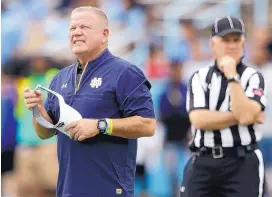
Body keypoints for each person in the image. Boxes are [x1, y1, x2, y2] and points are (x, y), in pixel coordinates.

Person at [23, 6, 156, 197]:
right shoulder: (60, 78)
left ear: (105, 34)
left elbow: (148, 125)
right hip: (68, 188)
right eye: (72, 28)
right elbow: (45, 132)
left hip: (108, 189)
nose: (76, 32)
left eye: (84, 27)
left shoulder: (125, 73)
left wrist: (101, 125)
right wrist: (38, 110)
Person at [181, 16, 267, 197]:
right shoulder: (199, 77)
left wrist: (232, 76)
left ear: (243, 42)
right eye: (226, 40)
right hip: (203, 160)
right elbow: (199, 119)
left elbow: (245, 117)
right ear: (212, 44)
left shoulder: (253, 76)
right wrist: (241, 115)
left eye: (236, 40)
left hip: (242, 161)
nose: (232, 45)